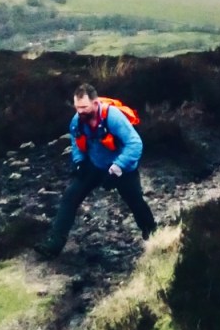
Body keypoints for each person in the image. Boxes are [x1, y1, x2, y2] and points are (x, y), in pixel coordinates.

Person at [35, 83, 156, 259]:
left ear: (95, 102)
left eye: (84, 107)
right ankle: (54, 244)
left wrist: (116, 168)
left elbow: (135, 144)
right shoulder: (77, 121)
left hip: (122, 168)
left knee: (135, 201)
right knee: (70, 197)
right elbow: (76, 142)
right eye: (77, 108)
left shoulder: (113, 117)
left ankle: (153, 235)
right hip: (95, 165)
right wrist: (79, 162)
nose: (80, 111)